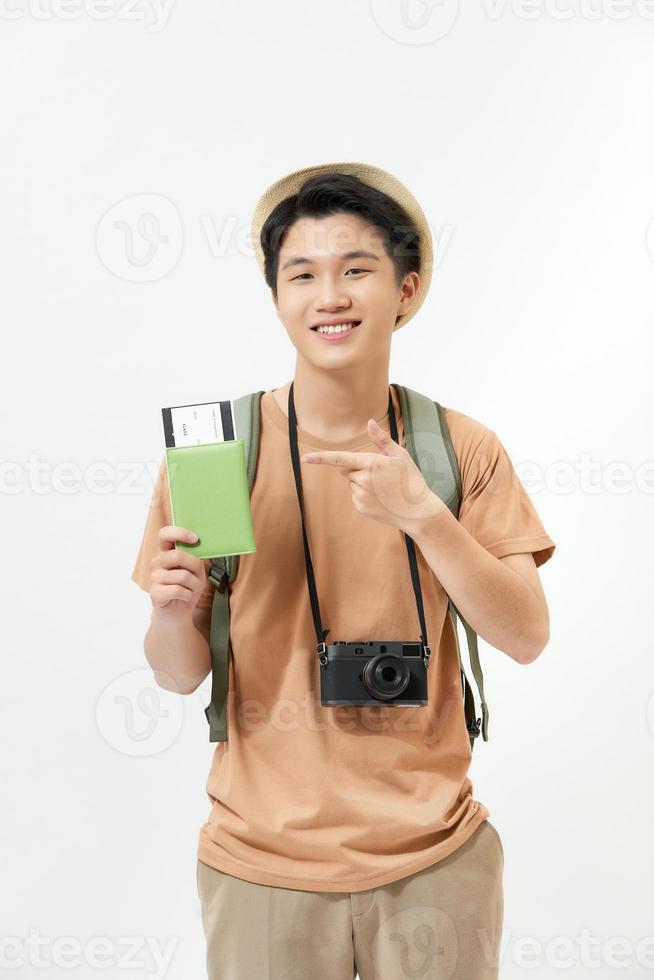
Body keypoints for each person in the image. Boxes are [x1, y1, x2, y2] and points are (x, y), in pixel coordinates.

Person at [131, 161, 556, 980]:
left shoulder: (460, 449)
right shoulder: (216, 456)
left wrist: (424, 515)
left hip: (438, 859)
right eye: (303, 273)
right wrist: (169, 615)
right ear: (279, 298)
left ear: (405, 287)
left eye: (356, 268)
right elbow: (178, 677)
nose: (330, 295)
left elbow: (528, 635)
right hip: (259, 864)